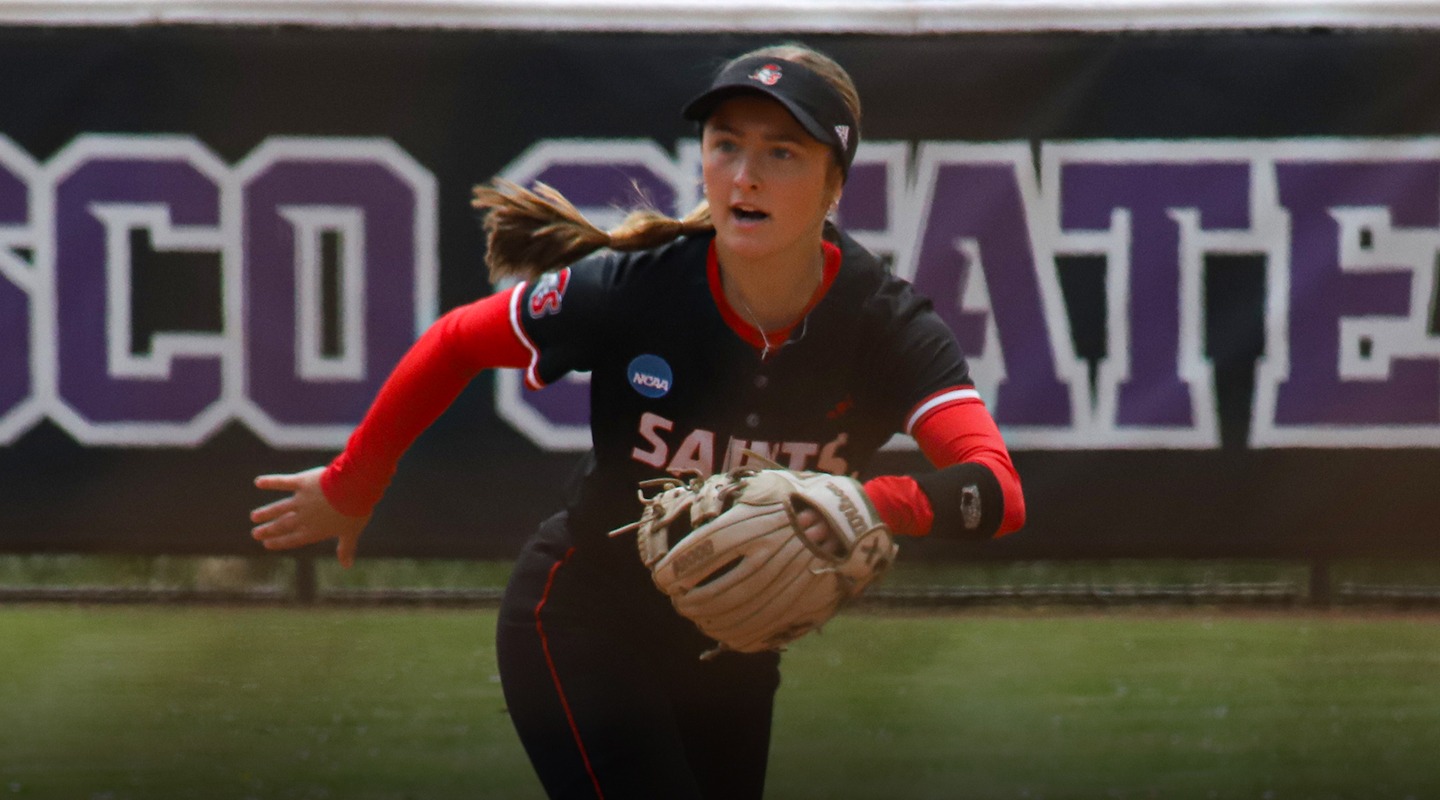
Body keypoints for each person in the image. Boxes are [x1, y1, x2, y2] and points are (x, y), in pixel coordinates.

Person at [249, 42, 1025, 800]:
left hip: (734, 646)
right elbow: (456, 341)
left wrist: (875, 503)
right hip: (583, 618)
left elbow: (996, 489)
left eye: (783, 152)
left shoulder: (881, 323)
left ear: (833, 185)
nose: (745, 175)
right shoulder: (639, 289)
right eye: (726, 146)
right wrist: (354, 483)